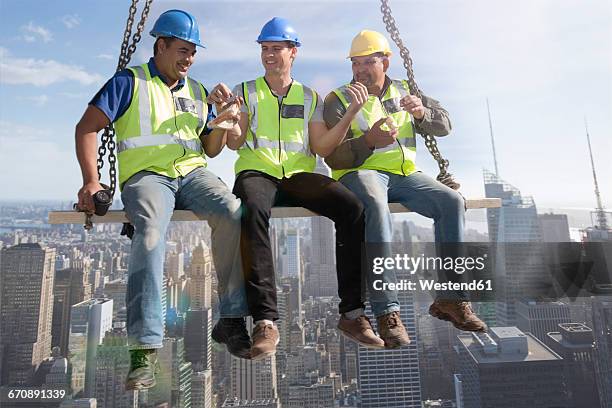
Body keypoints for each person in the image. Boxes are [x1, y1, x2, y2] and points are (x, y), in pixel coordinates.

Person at [74, 10, 252, 390]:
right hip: (148, 177)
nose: (189, 59)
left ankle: (232, 318)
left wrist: (222, 122)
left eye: (193, 52)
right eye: (183, 50)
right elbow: (87, 127)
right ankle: (144, 349)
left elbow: (210, 148)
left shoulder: (198, 91)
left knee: (234, 212)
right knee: (151, 234)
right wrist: (91, 181)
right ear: (161, 46)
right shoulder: (129, 82)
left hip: (193, 173)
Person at [217, 17, 386, 360]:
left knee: (353, 208)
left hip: (297, 175)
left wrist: (351, 113)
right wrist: (229, 119)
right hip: (258, 172)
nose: (268, 55)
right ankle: (265, 321)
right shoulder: (247, 90)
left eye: (276, 48)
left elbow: (322, 147)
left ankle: (353, 314)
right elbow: (235, 143)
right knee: (252, 210)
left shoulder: (310, 96)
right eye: (264, 49)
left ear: (293, 53)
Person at [323, 30, 487, 343]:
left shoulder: (405, 89)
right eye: (355, 63)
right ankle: (387, 311)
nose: (359, 70)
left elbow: (445, 125)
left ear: (385, 61)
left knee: (452, 202)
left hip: (406, 174)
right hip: (361, 173)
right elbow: (333, 155)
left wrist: (422, 112)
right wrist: (368, 141)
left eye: (367, 62)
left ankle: (452, 298)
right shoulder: (339, 99)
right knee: (376, 207)